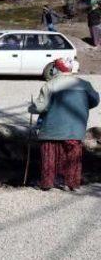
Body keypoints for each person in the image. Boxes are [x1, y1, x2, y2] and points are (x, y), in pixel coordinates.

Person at [28, 58, 99, 191]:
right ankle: (71, 183)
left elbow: (40, 107)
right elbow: (95, 101)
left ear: (57, 69)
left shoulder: (50, 84)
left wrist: (31, 108)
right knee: (72, 156)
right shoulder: (85, 84)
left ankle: (48, 184)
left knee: (50, 155)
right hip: (75, 129)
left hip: (51, 129)